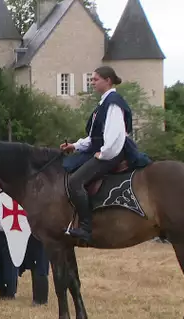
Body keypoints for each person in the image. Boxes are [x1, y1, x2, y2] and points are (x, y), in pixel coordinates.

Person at [60, 66, 150, 242]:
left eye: (95, 79)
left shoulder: (113, 103)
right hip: (105, 149)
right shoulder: (105, 102)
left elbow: (115, 135)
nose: (92, 82)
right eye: (92, 79)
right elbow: (96, 137)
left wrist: (103, 154)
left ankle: (85, 228)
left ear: (107, 80)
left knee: (75, 181)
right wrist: (75, 146)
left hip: (112, 152)